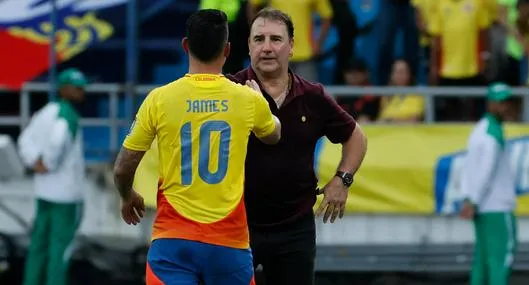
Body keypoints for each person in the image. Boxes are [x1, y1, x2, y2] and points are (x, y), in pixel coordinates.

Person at [112, 9, 281, 285]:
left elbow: (122, 168)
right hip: (229, 242)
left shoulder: (159, 99)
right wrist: (262, 102)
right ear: (227, 50)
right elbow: (274, 135)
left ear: (185, 46)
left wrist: (127, 194)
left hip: (173, 241)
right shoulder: (247, 100)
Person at [227, 8, 368, 285]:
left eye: (276, 39)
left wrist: (343, 179)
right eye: (259, 39)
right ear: (248, 45)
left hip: (295, 229)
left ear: (292, 46)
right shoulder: (229, 91)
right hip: (236, 225)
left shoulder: (312, 96)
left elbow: (357, 137)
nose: (267, 48)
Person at [18, 68, 87, 285]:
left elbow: (24, 140)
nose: (82, 92)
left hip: (44, 192)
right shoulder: (68, 115)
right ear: (64, 89)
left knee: (38, 244)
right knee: (61, 249)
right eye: (77, 88)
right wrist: (48, 163)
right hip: (66, 196)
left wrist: (34, 162)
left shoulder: (45, 111)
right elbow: (59, 139)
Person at [459, 82, 518, 285]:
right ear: (491, 104)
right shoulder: (493, 134)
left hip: (483, 207)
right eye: (501, 102)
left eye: (508, 102)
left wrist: (469, 198)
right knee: (501, 262)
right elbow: (486, 171)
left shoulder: (480, 129)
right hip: (497, 208)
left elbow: (468, 167)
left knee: (482, 263)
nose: (506, 106)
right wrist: (473, 200)